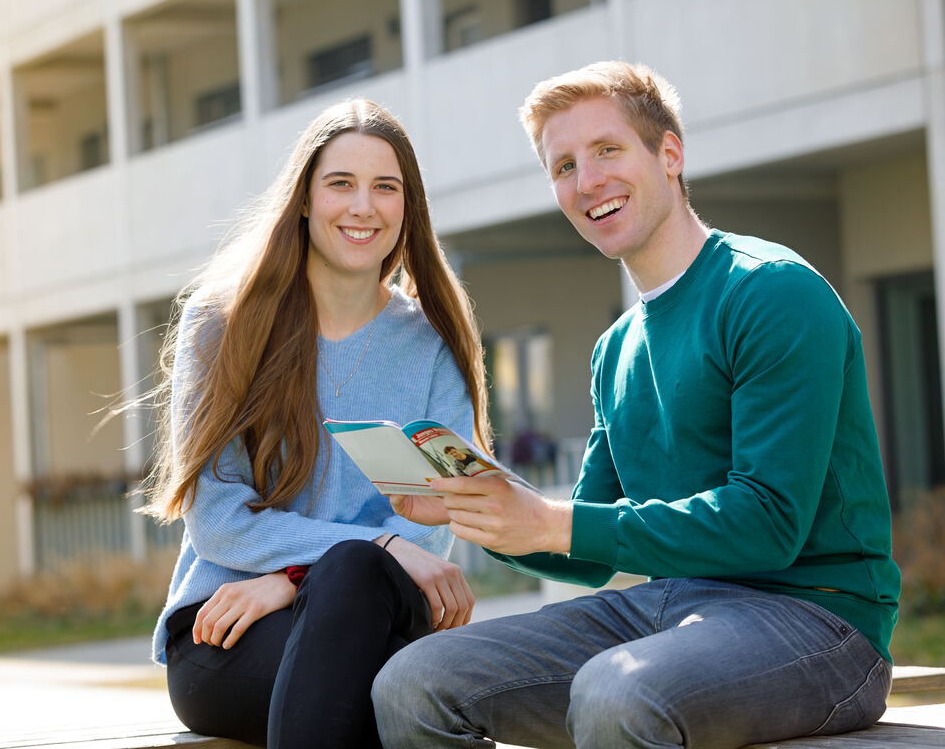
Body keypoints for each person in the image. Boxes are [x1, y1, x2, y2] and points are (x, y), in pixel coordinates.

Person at [373, 61, 901, 749]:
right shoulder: (614, 350)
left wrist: (551, 522)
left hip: (820, 622)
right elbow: (586, 550)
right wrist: (480, 512)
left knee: (618, 691)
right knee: (411, 683)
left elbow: (769, 523)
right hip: (674, 608)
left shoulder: (770, 292)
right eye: (563, 165)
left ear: (671, 154)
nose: (586, 180)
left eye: (607, 150)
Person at [143, 98, 491, 749]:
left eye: (385, 188)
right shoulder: (222, 326)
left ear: (406, 208)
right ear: (303, 199)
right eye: (341, 184)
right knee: (413, 679)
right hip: (231, 632)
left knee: (364, 592)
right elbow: (218, 520)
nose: (363, 207)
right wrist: (365, 554)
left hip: (375, 618)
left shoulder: (435, 344)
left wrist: (297, 578)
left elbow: (436, 515)